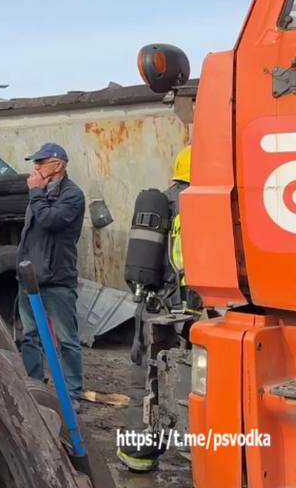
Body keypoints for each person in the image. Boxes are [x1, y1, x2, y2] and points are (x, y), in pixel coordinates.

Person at [116, 145, 194, 473]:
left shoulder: (160, 204)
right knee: (191, 385)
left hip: (154, 309)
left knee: (147, 385)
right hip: (191, 311)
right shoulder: (205, 202)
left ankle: (138, 455)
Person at [17, 141, 86, 403]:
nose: (35, 169)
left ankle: (72, 396)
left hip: (57, 279)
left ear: (57, 165)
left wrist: (35, 194)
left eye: (40, 163)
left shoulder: (72, 195)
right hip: (30, 278)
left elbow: (50, 221)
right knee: (30, 337)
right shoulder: (40, 193)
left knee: (67, 340)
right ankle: (34, 390)